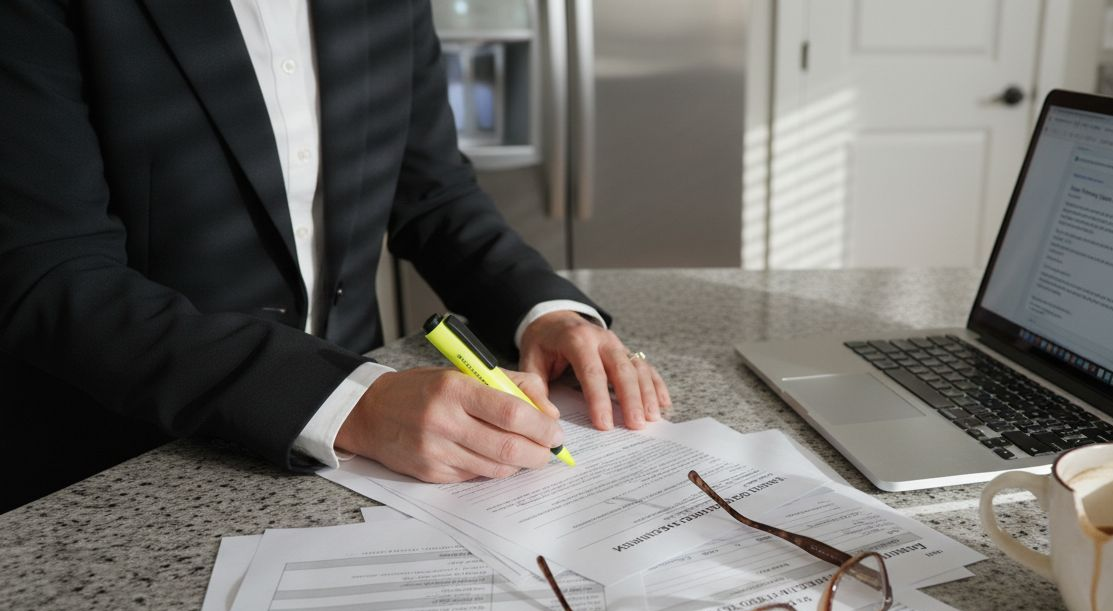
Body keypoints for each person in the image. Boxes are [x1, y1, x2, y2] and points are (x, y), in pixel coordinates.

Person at [0, 0, 670, 512]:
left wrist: (543, 312)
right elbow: (50, 273)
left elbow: (432, 192)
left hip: (374, 462)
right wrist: (353, 400)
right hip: (127, 465)